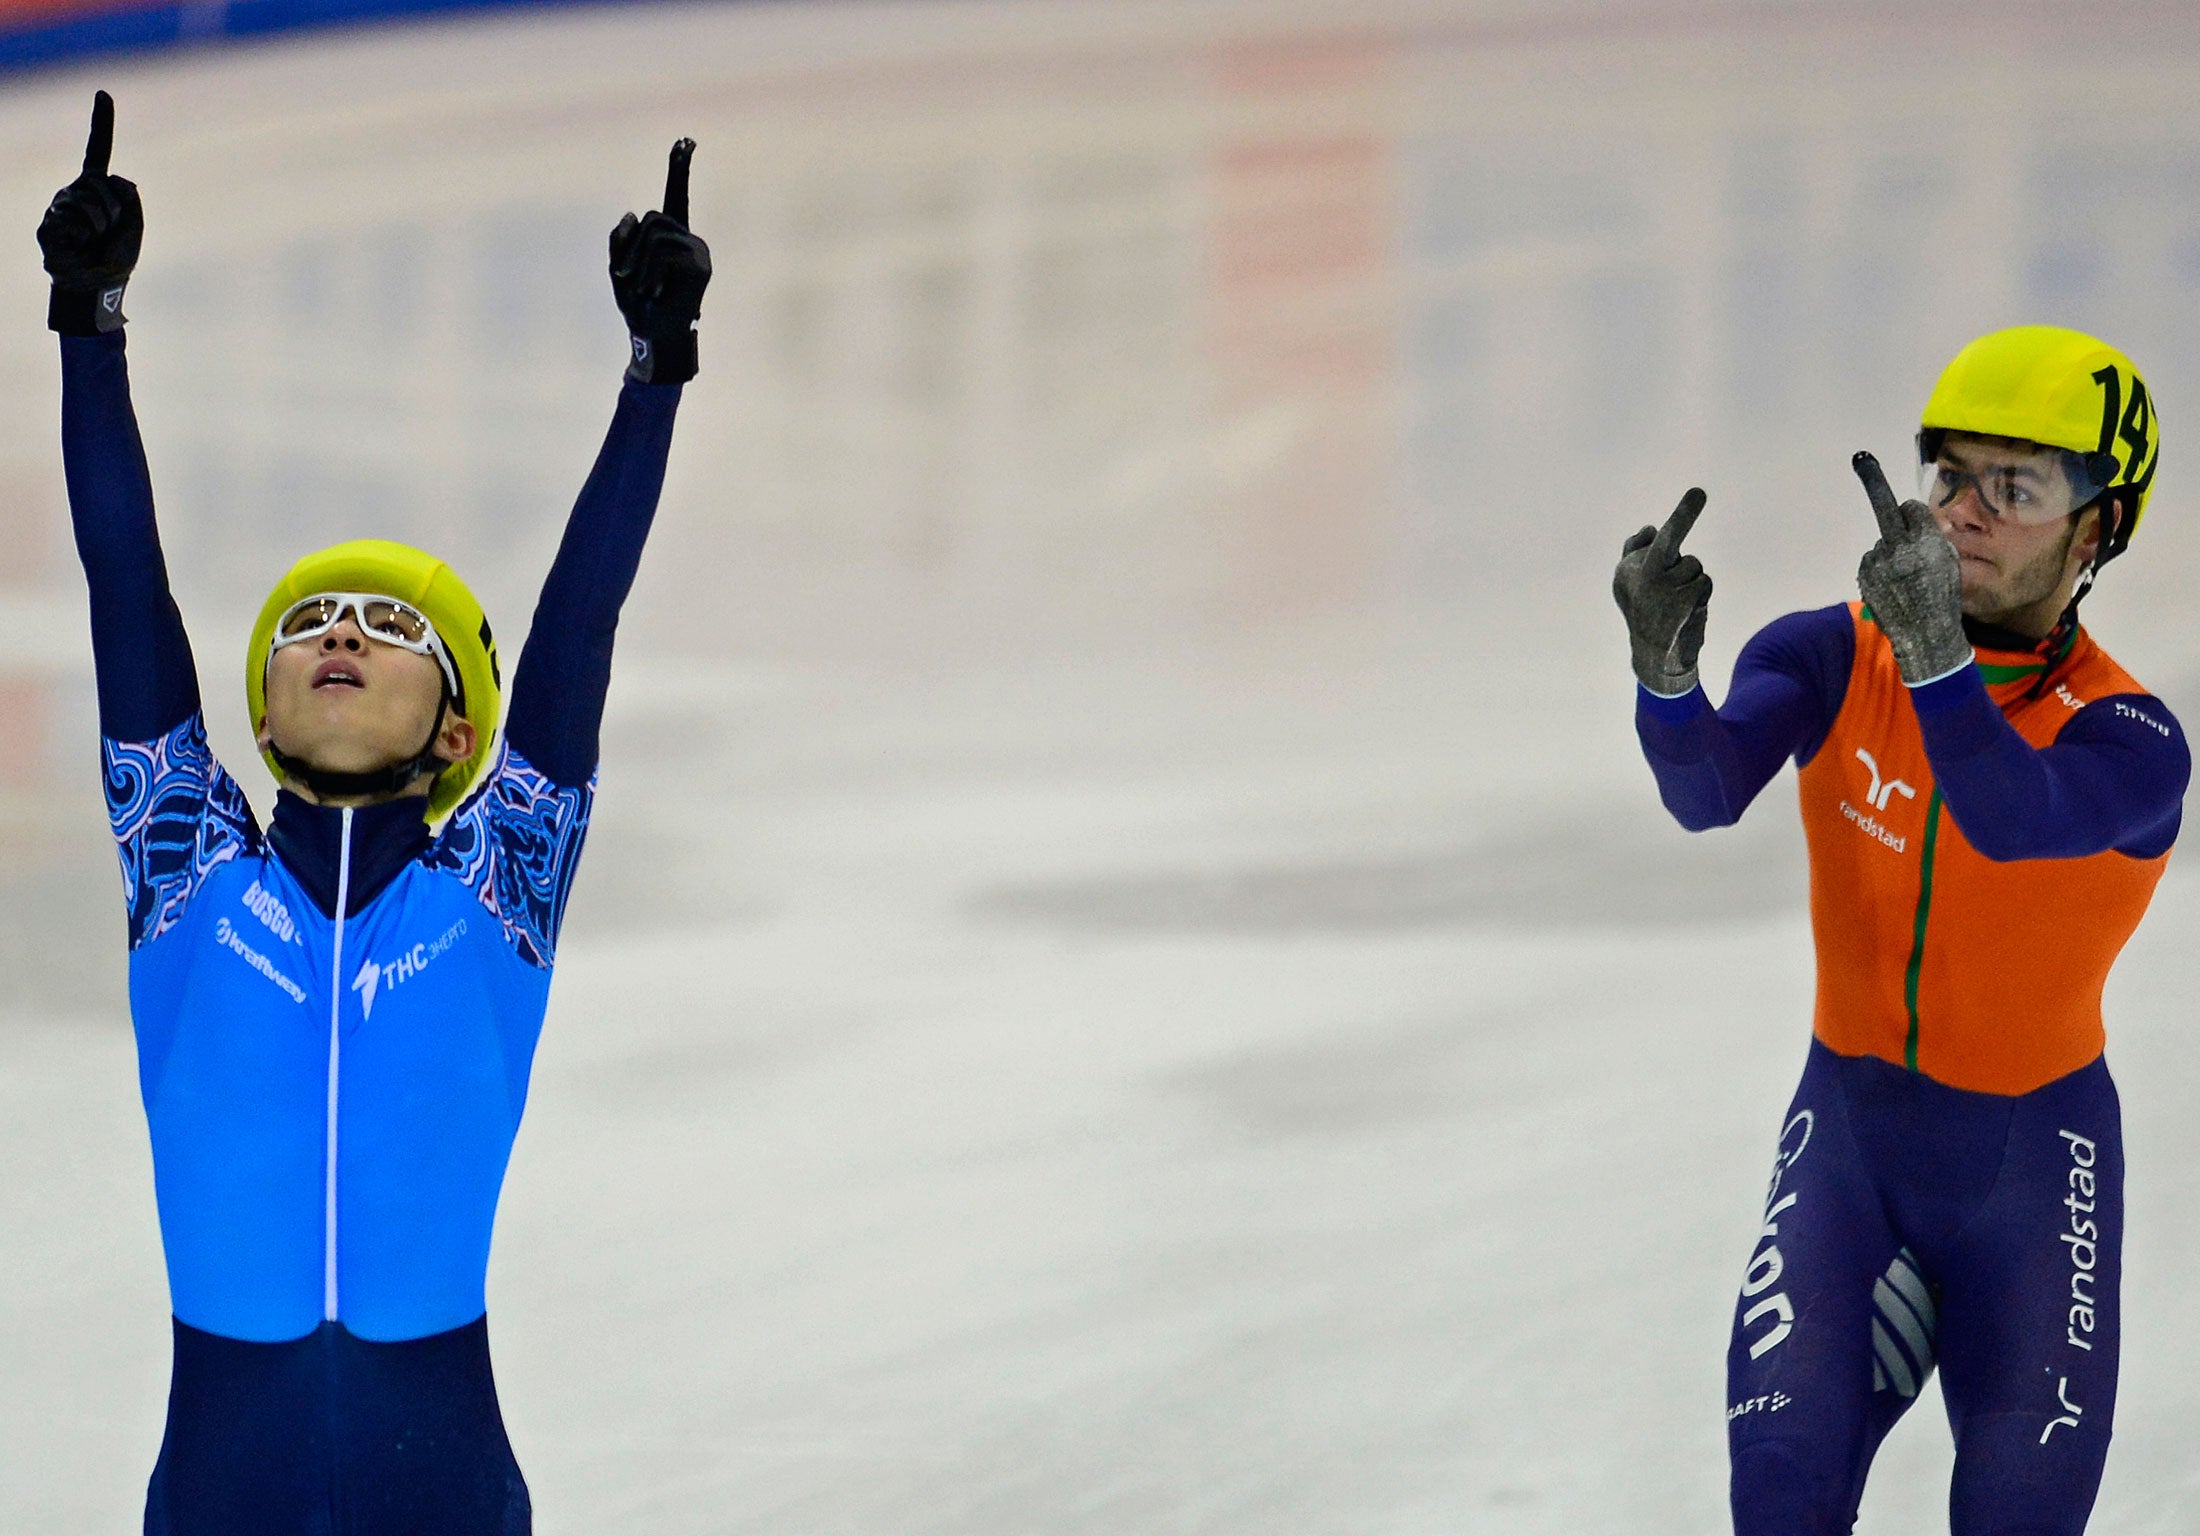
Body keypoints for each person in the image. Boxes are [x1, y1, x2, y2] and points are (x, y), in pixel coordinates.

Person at [38, 90, 710, 1535]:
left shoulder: (498, 888)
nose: (340, 634)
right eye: (311, 623)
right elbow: (123, 589)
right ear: (260, 713)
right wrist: (88, 327)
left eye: (384, 627)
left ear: (460, 726)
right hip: (222, 1490)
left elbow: (577, 629)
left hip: (446, 1487)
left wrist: (655, 374)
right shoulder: (185, 868)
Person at [1613, 326, 2189, 1535]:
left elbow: (2007, 815)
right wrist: (1663, 676)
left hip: (2035, 1180)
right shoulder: (1829, 655)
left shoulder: (2129, 742)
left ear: (2096, 533)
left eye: (2013, 487)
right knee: (1779, 1498)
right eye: (1948, 478)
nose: (1961, 515)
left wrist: (1932, 658)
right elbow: (1704, 791)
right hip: (1849, 1154)